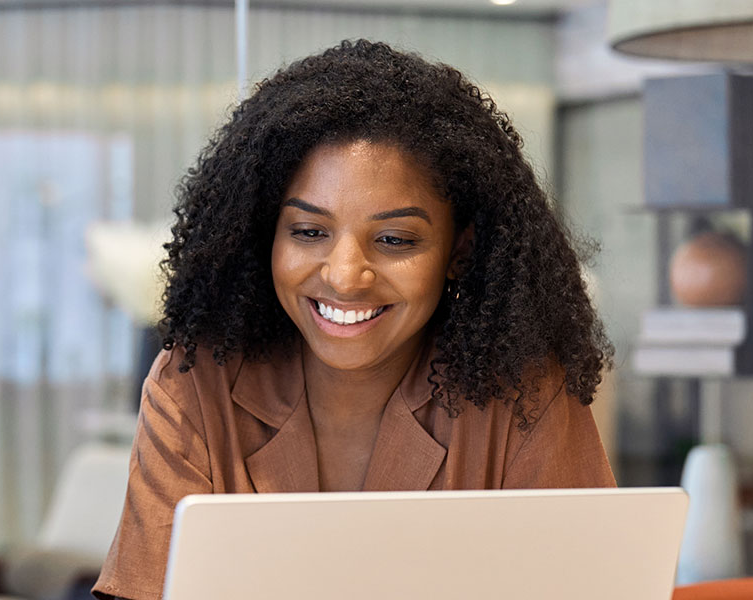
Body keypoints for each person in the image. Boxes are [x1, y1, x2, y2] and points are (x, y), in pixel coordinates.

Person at [93, 40, 616, 600]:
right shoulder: (194, 386)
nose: (345, 276)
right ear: (261, 235)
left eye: (394, 239)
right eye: (309, 231)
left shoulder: (523, 396)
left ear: (459, 252)